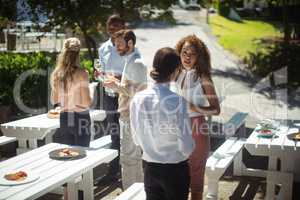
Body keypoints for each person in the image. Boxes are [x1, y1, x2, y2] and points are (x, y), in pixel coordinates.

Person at [130, 47, 195, 200]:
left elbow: (136, 139)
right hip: (175, 169)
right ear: (175, 71)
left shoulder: (138, 99)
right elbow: (186, 145)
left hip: (150, 167)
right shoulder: (178, 102)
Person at [174, 35, 220, 200]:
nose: (187, 56)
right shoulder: (175, 73)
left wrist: (194, 107)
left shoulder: (203, 77)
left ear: (198, 57)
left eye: (192, 54)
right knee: (176, 176)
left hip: (196, 129)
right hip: (176, 129)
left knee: (196, 177)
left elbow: (216, 110)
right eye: (184, 52)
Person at [103, 29, 147, 189]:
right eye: (115, 45)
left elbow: (137, 92)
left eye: (120, 44)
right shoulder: (132, 60)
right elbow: (130, 86)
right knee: (133, 158)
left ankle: (130, 193)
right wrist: (116, 82)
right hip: (130, 117)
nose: (117, 48)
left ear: (130, 43)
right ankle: (138, 192)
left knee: (128, 159)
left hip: (131, 118)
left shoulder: (136, 63)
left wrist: (115, 86)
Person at [50, 37, 92, 200]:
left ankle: (67, 195)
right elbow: (86, 102)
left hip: (64, 117)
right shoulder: (82, 73)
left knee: (66, 160)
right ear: (78, 53)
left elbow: (55, 101)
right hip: (81, 117)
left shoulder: (56, 74)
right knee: (81, 160)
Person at [97, 14, 126, 182]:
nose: (113, 29)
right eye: (111, 26)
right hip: (109, 97)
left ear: (123, 27)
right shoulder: (103, 49)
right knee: (114, 134)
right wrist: (100, 76)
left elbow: (134, 74)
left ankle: (130, 167)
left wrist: (118, 77)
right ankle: (113, 171)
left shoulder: (129, 48)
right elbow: (101, 75)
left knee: (128, 133)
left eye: (117, 26)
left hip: (125, 97)